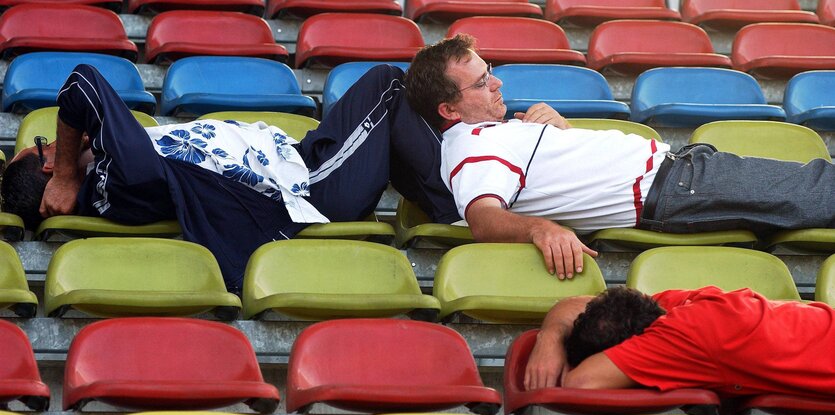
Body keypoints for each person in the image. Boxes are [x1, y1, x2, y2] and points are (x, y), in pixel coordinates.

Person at [2, 57, 566, 293]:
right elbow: (81, 82)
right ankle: (471, 204)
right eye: (44, 147)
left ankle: (503, 167)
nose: (50, 140)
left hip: (300, 159)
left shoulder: (115, 165)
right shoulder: (115, 177)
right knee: (390, 84)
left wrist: (66, 167)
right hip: (309, 187)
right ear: (51, 168)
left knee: (386, 98)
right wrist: (70, 175)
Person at [404, 34, 835, 280]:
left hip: (680, 176)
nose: (496, 84)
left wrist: (560, 134)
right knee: (817, 187)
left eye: (490, 70)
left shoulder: (494, 134)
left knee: (814, 188)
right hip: (673, 187)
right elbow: (483, 217)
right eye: (480, 83)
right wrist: (541, 230)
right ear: (448, 110)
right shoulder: (472, 145)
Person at [522, 286, 835, 399]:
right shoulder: (670, 309)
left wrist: (557, 349)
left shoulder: (676, 339)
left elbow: (581, 382)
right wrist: (550, 337)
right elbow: (574, 304)